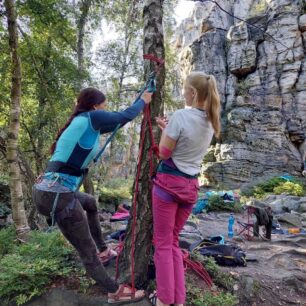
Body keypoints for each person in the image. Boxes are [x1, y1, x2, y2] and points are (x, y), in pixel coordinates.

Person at [32, 87, 152, 304]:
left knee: (89, 202)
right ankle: (114, 291)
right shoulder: (92, 117)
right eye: (104, 104)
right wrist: (143, 101)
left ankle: (104, 249)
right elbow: (123, 116)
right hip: (57, 195)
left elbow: (119, 122)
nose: (105, 108)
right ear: (96, 105)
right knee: (86, 250)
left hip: (49, 191)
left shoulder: (83, 122)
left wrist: (137, 105)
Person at [153, 71, 221, 306]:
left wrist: (165, 131)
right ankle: (178, 301)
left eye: (184, 89)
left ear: (192, 93)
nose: (183, 93)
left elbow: (164, 152)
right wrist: (168, 129)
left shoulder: (181, 116)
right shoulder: (211, 121)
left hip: (168, 186)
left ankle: (163, 300)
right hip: (190, 188)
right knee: (173, 241)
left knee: (162, 243)